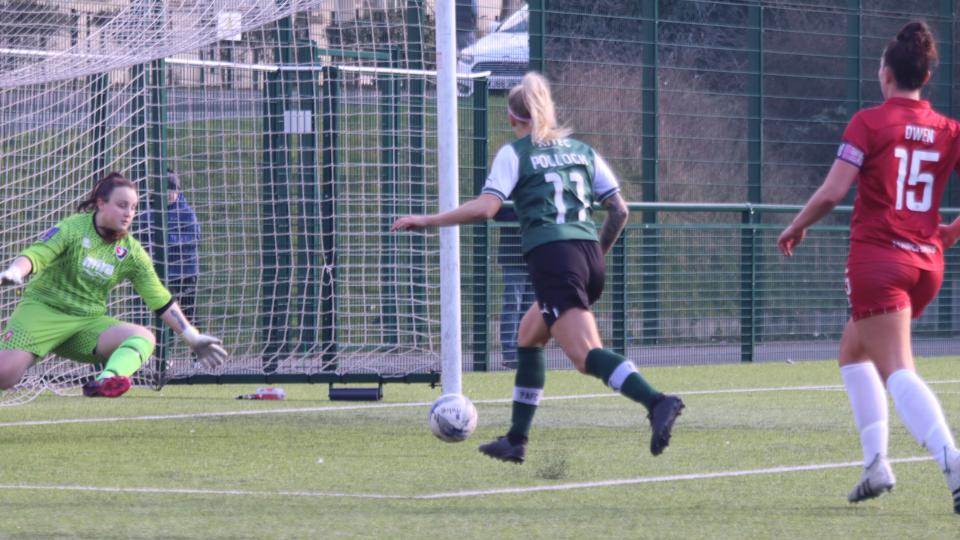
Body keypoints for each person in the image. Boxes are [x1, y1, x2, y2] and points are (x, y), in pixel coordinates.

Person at [392, 72, 684, 464]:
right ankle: (515, 439)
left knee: (585, 357)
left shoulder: (515, 153)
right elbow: (620, 209)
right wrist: (594, 255)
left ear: (513, 119)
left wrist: (427, 220)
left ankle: (657, 401)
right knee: (529, 336)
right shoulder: (582, 151)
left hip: (553, 258)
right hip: (587, 255)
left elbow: (486, 208)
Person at [778, 21, 960, 513]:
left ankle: (953, 462)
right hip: (927, 266)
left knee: (897, 368)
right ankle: (875, 462)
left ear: (886, 75)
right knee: (854, 352)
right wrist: (953, 231)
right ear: (926, 76)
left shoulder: (870, 122)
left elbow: (834, 191)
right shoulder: (948, 130)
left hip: (880, 260)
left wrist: (796, 225)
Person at [0, 172, 227, 398]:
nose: (129, 213)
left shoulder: (132, 252)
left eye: (133, 207)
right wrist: (15, 271)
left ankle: (108, 379)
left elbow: (159, 298)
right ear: (101, 203)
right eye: (122, 205)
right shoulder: (73, 228)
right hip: (42, 313)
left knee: (144, 337)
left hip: (86, 325)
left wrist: (191, 336)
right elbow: (38, 253)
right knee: (5, 375)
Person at [140, 169, 201, 321]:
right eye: (164, 191)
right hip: (158, 270)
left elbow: (194, 237)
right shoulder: (149, 211)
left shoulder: (186, 213)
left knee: (188, 315)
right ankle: (163, 344)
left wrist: (165, 238)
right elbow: (142, 235)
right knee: (163, 314)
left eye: (171, 192)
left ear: (177, 191)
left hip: (184, 271)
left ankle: (196, 341)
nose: (168, 195)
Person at [495, 206, 536, 369]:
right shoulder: (508, 185)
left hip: (536, 254)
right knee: (513, 303)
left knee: (532, 307)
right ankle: (510, 354)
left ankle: (527, 352)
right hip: (512, 255)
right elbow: (498, 213)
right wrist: (526, 215)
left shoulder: (539, 186)